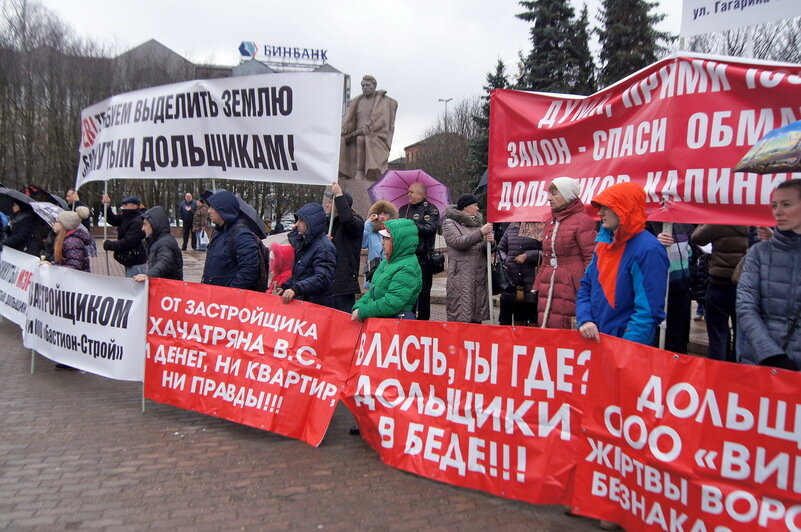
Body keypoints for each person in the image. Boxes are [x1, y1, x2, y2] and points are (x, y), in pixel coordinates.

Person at [576, 182, 669, 346]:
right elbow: (586, 286)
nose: (600, 212)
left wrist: (626, 349)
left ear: (624, 209)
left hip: (624, 348)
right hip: (598, 342)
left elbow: (648, 312)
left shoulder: (648, 250)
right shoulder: (603, 244)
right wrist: (585, 320)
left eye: (607, 207)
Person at [737, 179, 801, 370]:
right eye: (774, 205)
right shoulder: (760, 253)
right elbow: (745, 306)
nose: (778, 212)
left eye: (786, 204)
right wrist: (770, 354)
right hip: (761, 365)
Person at [534, 178, 597, 329]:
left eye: (554, 194)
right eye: (550, 194)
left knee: (565, 330)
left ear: (568, 196)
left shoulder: (583, 221)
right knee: (547, 328)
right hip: (548, 283)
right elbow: (546, 257)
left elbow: (591, 258)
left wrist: (588, 287)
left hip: (572, 285)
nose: (549, 198)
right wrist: (537, 285)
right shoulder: (550, 222)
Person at [690, 224, 748, 362]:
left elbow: (696, 237)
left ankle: (717, 374)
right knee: (742, 338)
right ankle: (736, 370)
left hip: (718, 284)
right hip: (743, 285)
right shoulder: (752, 224)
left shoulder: (719, 222)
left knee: (717, 337)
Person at [351, 218, 422, 321]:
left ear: (399, 241)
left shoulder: (407, 268)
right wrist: (359, 305)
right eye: (382, 238)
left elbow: (391, 303)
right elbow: (373, 291)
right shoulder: (388, 261)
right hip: (382, 322)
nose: (382, 242)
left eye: (386, 238)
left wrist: (363, 311)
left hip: (395, 326)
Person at [442, 194, 494, 323]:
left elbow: (484, 248)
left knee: (477, 316)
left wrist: (491, 242)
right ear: (465, 206)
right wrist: (481, 233)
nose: (478, 209)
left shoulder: (478, 223)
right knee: (462, 314)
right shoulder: (450, 223)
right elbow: (459, 242)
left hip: (478, 276)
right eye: (475, 205)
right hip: (461, 275)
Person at [275, 202, 336, 307]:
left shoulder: (324, 247)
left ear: (311, 223)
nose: (297, 224)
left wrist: (296, 289)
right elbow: (302, 275)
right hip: (305, 303)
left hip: (315, 306)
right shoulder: (306, 244)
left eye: (301, 220)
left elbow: (322, 278)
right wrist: (286, 287)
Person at [339, 75, 398, 181]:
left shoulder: (382, 101)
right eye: (363, 86)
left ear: (374, 86)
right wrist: (345, 128)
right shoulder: (357, 101)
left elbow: (382, 120)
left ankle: (361, 172)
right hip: (356, 133)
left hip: (376, 135)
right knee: (342, 140)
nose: (365, 88)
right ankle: (345, 172)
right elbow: (350, 120)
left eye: (368, 85)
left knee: (362, 139)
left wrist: (369, 127)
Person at [201, 190, 260, 290]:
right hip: (214, 296)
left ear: (222, 209)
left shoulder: (241, 235)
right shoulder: (219, 231)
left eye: (212, 207)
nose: (208, 211)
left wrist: (231, 292)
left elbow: (249, 270)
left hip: (227, 299)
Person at [651, 222, 695, 353]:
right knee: (661, 340)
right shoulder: (649, 224)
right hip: (660, 292)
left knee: (679, 340)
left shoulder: (685, 224)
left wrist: (690, 279)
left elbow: (692, 253)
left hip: (682, 290)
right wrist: (655, 243)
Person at [400, 182, 440, 320]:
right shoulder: (403, 209)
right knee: (406, 292)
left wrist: (410, 225)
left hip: (423, 259)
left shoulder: (431, 210)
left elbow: (430, 228)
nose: (408, 194)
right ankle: (407, 319)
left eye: (411, 192)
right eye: (408, 191)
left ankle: (423, 322)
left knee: (423, 293)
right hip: (405, 258)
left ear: (421, 195)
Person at [325, 182, 365, 313]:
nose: (327, 204)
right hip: (329, 281)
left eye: (331, 202)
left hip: (344, 283)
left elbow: (347, 220)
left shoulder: (356, 222)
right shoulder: (330, 223)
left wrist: (339, 194)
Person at [497, 222, 541, 326]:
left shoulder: (540, 226)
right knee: (510, 314)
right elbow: (501, 249)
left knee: (532, 315)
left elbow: (547, 251)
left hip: (531, 280)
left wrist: (528, 256)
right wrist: (505, 261)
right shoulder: (512, 226)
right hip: (511, 279)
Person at [132, 206, 183, 282]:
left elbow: (164, 262)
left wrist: (148, 275)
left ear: (154, 224)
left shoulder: (165, 243)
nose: (143, 228)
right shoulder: (157, 241)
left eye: (145, 224)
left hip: (168, 290)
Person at [101, 195, 148, 277]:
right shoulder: (127, 217)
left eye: (126, 205)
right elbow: (112, 219)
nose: (123, 207)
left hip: (136, 262)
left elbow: (128, 242)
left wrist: (108, 245)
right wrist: (106, 206)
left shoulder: (137, 222)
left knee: (135, 287)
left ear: (133, 206)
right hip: (131, 260)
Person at [362, 200, 399, 288]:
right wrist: (367, 225)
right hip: (374, 271)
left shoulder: (394, 231)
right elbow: (363, 244)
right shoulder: (371, 231)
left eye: (385, 213)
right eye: (380, 213)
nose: (382, 216)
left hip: (388, 270)